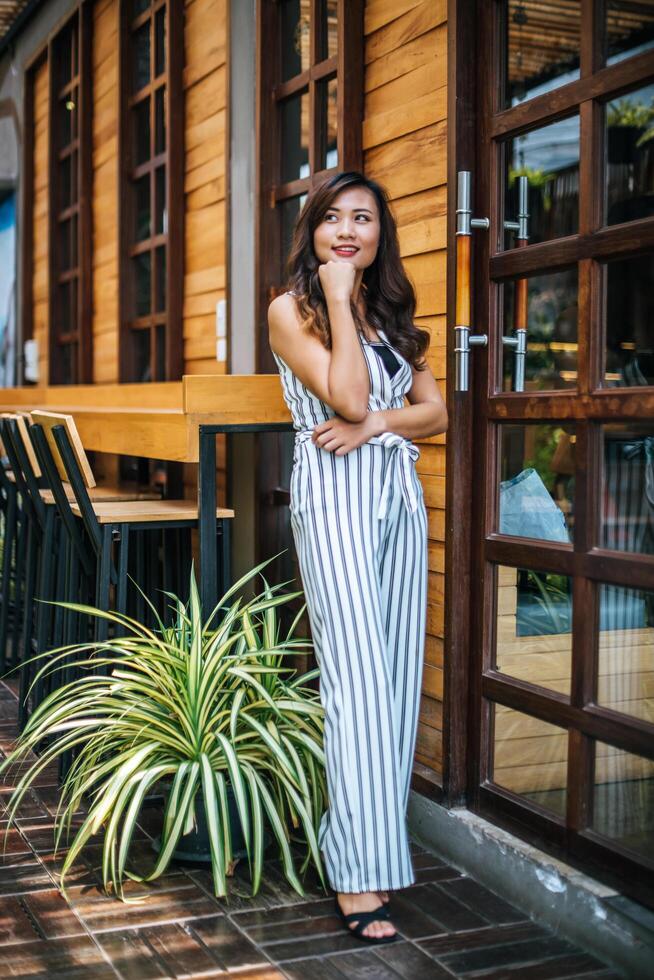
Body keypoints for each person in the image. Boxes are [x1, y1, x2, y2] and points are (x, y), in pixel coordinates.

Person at [268, 171, 448, 944]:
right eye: (333, 218)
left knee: (398, 678)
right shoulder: (292, 311)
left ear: (381, 235)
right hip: (335, 501)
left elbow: (436, 413)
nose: (348, 230)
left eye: (363, 219)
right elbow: (342, 397)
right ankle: (356, 874)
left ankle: (370, 850)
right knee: (359, 685)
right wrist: (339, 299)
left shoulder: (396, 314)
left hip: (398, 500)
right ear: (312, 232)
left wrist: (380, 426)